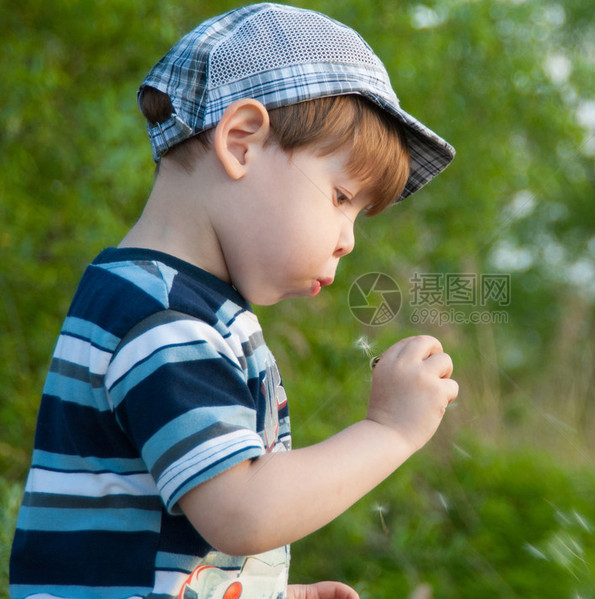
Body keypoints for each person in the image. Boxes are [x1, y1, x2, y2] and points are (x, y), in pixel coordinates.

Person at [9, 4, 458, 599]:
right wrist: (389, 431)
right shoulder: (164, 320)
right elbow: (241, 511)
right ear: (242, 142)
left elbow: (171, 531)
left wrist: (263, 592)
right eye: (342, 196)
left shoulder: (165, 303)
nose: (349, 241)